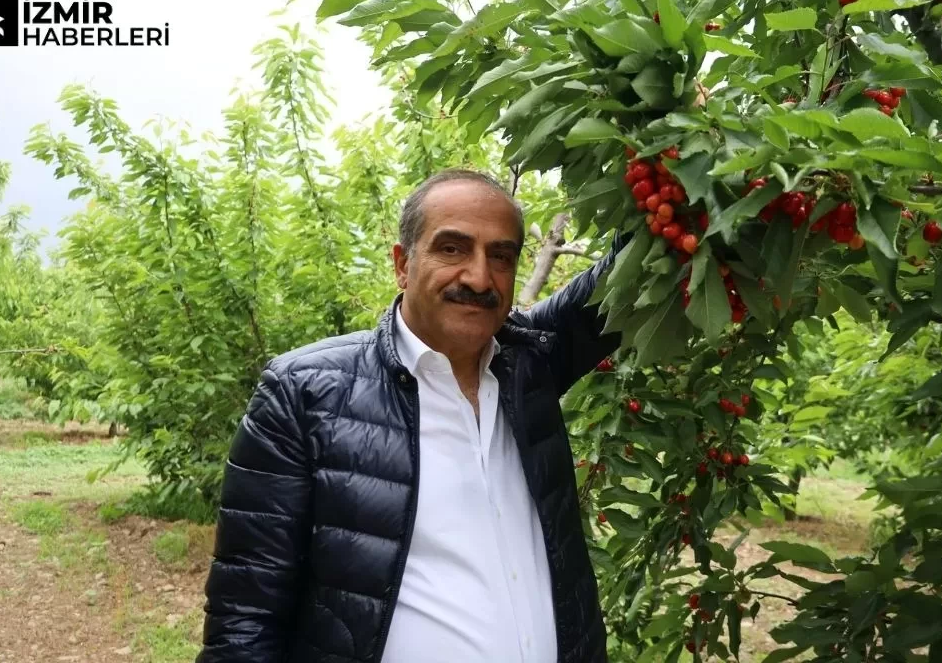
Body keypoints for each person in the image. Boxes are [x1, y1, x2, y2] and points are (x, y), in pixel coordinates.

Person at [196, 168, 628, 663]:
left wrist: (665, 146)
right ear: (402, 265)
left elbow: (632, 272)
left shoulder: (532, 363)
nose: (479, 277)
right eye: (452, 249)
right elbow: (246, 618)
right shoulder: (304, 394)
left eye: (501, 256)